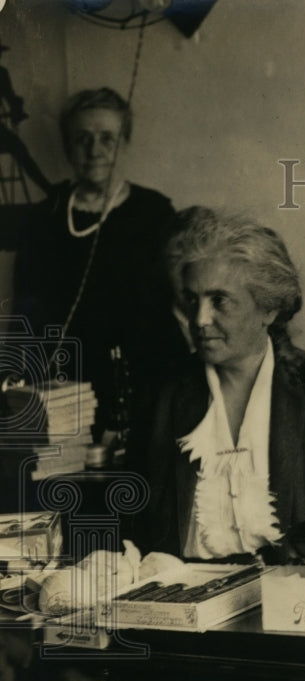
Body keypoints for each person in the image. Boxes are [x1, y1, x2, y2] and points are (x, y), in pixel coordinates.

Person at [135, 207, 305, 561]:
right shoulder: (163, 396)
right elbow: (137, 525)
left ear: (268, 309)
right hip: (183, 601)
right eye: (193, 299)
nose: (200, 319)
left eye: (219, 300)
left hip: (297, 599)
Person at [8, 87, 187, 465]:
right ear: (68, 147)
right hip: (65, 387)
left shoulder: (154, 213)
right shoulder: (44, 218)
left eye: (108, 137)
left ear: (125, 142)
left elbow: (175, 305)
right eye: (82, 138)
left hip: (142, 381)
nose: (95, 149)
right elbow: (25, 317)